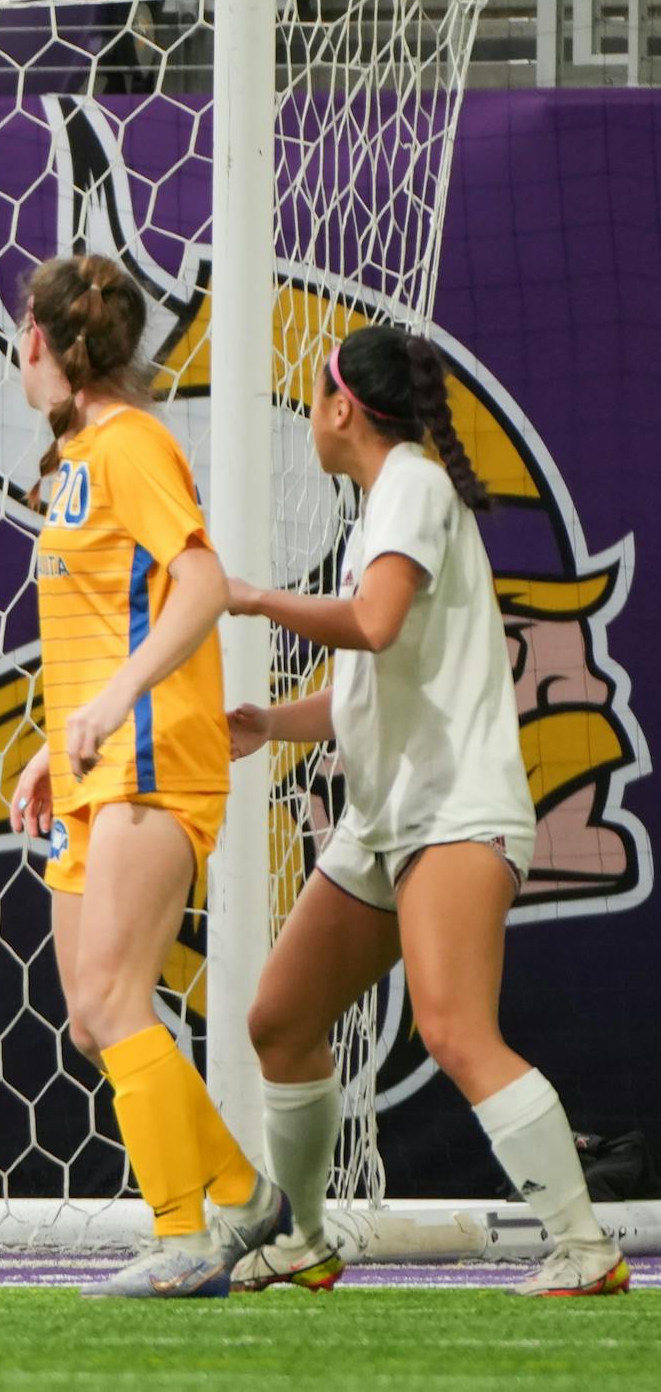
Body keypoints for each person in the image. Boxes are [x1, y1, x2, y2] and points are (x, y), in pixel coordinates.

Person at [226, 323, 631, 1298]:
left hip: (454, 812)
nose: (306, 413)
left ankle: (585, 1247)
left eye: (312, 396)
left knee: (455, 1028)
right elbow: (363, 679)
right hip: (384, 819)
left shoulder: (408, 480)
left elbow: (370, 621)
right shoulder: (385, 501)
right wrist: (269, 720)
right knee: (281, 1018)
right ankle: (309, 1236)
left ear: (342, 407)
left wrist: (251, 596)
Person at [4, 251, 283, 1299]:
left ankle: (184, 1238)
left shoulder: (130, 444)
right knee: (93, 1013)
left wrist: (116, 701)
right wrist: (51, 737)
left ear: (37, 340)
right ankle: (248, 1200)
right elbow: (103, 612)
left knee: (117, 997)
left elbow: (201, 581)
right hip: (95, 760)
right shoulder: (86, 452)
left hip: (151, 754)